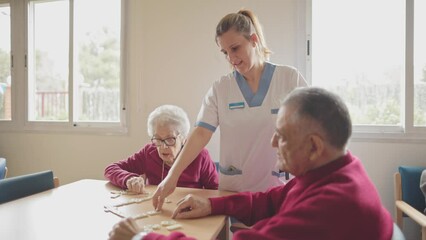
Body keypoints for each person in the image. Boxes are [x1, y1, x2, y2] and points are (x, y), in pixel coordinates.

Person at [108, 87, 393, 240]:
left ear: (314, 146)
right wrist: (212, 205)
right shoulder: (335, 172)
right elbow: (267, 202)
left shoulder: (332, 204)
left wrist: (142, 237)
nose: (272, 143)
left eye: (280, 136)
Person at [152, 9, 308, 210]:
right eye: (225, 52)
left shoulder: (289, 79)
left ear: (253, 40)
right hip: (236, 190)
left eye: (235, 48)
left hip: (278, 189)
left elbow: (315, 129)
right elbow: (200, 133)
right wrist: (172, 177)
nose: (231, 58)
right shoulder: (221, 89)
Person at [104, 105, 218, 193]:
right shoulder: (150, 152)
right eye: (158, 139)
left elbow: (216, 190)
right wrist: (128, 179)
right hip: (156, 211)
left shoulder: (199, 155)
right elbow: (111, 169)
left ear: (183, 138)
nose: (163, 146)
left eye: (170, 139)